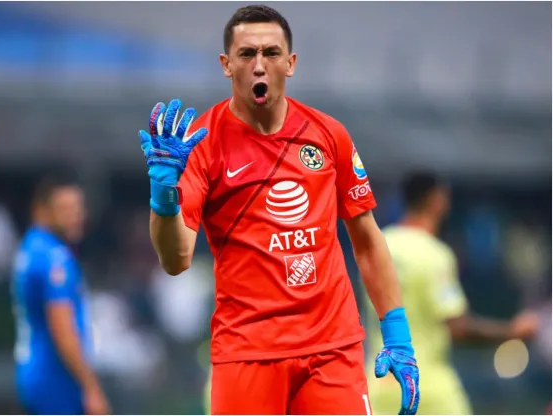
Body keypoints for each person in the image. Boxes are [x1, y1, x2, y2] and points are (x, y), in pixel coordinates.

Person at [139, 5, 419, 415]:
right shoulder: (202, 144)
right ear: (226, 64)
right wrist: (163, 194)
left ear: (290, 63)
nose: (259, 65)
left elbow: (366, 239)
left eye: (271, 53)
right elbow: (176, 258)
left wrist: (397, 336)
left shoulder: (328, 134)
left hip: (331, 350)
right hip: (246, 352)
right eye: (247, 54)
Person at [366, 172, 539, 415]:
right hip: (428, 387)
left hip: (380, 383)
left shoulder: (380, 246)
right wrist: (512, 330)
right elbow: (458, 327)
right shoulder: (434, 254)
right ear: (437, 200)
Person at [12, 175, 110, 415]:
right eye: (65, 209)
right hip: (55, 377)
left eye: (79, 208)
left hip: (37, 371)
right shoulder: (53, 258)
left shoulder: (31, 248)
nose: (77, 216)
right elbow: (63, 328)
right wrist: (91, 386)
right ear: (42, 210)